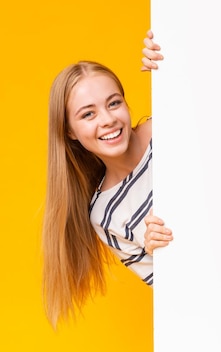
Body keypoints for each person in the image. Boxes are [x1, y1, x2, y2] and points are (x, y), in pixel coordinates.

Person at [42, 30, 168, 328]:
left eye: (113, 103)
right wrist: (163, 255)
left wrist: (177, 62)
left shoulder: (168, 125)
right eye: (88, 114)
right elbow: (178, 296)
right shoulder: (105, 216)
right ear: (70, 131)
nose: (108, 120)